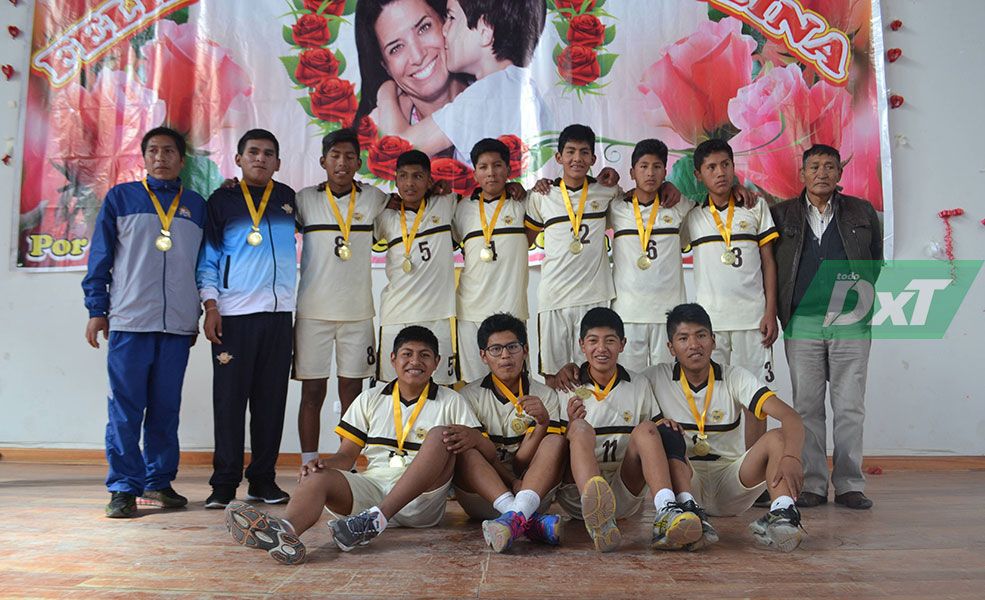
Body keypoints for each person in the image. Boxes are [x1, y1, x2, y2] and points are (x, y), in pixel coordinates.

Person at [223, 326, 481, 564]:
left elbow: (474, 451)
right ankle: (285, 532)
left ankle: (376, 519)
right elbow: (346, 456)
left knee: (438, 435)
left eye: (425, 355)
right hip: (373, 490)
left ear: (436, 363)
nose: (415, 361)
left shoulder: (452, 401)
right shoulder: (368, 399)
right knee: (316, 475)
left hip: (420, 501)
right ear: (392, 359)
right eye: (407, 354)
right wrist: (321, 463)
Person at [82, 127, 206, 518]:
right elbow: (100, 257)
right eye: (153, 151)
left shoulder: (197, 205)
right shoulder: (122, 198)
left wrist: (202, 310)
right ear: (144, 157)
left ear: (181, 160)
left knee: (166, 408)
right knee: (126, 408)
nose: (161, 157)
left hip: (177, 326)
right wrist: (96, 309)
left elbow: (205, 265)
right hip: (129, 321)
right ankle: (123, 487)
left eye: (169, 151)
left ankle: (158, 482)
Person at [642, 303, 808, 552]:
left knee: (778, 438)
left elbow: (790, 416)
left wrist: (792, 457)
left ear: (713, 340)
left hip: (731, 484)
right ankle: (687, 511)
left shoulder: (735, 376)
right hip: (688, 480)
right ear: (671, 347)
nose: (694, 345)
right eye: (683, 338)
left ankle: (783, 513)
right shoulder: (654, 377)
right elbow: (613, 384)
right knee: (661, 433)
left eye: (701, 335)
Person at [770, 144, 883, 510]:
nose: (822, 173)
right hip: (802, 320)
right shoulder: (781, 214)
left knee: (850, 405)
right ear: (801, 174)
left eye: (830, 166)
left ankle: (850, 483)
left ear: (840, 174)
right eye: (814, 166)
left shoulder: (861, 211)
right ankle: (813, 484)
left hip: (850, 319)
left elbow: (874, 263)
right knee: (806, 407)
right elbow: (771, 266)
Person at [197, 129, 297, 509]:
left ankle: (263, 480)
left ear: (278, 162)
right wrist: (210, 306)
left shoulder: (287, 199)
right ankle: (223, 484)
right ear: (238, 159)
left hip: (277, 316)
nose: (260, 158)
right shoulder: (220, 201)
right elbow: (207, 258)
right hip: (233, 316)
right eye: (253, 152)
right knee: (229, 402)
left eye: (268, 153)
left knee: (271, 401)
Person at [557, 307, 702, 553]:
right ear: (582, 344)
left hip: (625, 491)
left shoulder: (639, 384)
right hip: (577, 497)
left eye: (610, 341)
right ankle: (598, 518)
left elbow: (654, 437)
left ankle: (666, 509)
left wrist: (668, 428)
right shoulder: (565, 387)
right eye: (593, 341)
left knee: (648, 428)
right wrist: (569, 428)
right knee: (579, 428)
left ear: (622, 344)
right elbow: (553, 451)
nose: (601, 349)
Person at [293, 129, 389, 466]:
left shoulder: (374, 199)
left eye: (349, 156)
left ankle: (344, 461)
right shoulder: (304, 199)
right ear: (323, 161)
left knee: (352, 392)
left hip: (358, 312)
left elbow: (412, 201)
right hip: (312, 313)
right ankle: (308, 462)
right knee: (313, 392)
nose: (342, 162)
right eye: (335, 156)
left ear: (358, 162)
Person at [682, 139, 779, 461]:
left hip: (753, 321)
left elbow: (768, 261)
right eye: (711, 167)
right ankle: (722, 468)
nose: (720, 173)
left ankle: (754, 470)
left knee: (755, 399)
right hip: (711, 326)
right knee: (716, 396)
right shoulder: (692, 217)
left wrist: (770, 311)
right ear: (699, 174)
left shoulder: (755, 208)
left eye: (725, 164)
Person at [375, 0, 551, 163]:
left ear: (484, 31)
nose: (444, 29)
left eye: (451, 18)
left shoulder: (485, 95)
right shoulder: (519, 87)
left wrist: (385, 91)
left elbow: (400, 149)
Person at [454, 313, 566, 552]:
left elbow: (520, 463)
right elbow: (485, 458)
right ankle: (522, 519)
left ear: (525, 350)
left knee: (556, 442)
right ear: (483, 355)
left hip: (531, 491)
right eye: (496, 349)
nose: (505, 355)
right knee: (466, 453)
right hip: (482, 497)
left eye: (512, 347)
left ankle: (514, 519)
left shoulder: (545, 396)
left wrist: (543, 423)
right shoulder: (468, 396)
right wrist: (512, 482)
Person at [523, 125, 620, 389]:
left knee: (594, 372)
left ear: (593, 160)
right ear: (559, 158)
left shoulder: (607, 192)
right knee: (554, 376)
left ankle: (591, 428)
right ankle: (558, 428)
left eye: (584, 152)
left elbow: (635, 205)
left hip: (595, 296)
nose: (577, 158)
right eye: (570, 152)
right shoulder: (542, 196)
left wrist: (614, 178)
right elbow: (523, 241)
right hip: (554, 298)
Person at [608, 139, 693, 371]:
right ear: (632, 172)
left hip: (667, 315)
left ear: (665, 172)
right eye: (643, 166)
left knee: (666, 385)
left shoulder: (681, 206)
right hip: (627, 313)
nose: (650, 173)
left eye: (657, 167)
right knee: (630, 383)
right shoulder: (616, 207)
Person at [374, 150, 458, 384]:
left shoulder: (446, 204)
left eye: (418, 176)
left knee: (442, 388)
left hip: (437, 315)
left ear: (429, 180)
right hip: (395, 316)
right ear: (396, 181)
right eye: (403, 176)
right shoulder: (384, 215)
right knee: (392, 389)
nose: (410, 183)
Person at [453, 139, 531, 382]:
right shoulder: (460, 208)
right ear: (474, 171)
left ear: (508, 170)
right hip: (470, 310)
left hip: (512, 310)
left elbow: (531, 236)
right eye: (483, 167)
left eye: (497, 166)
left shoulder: (524, 203)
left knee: (515, 381)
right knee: (474, 384)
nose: (491, 173)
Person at [353, 0, 467, 153]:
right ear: (385, 66)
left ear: (446, 21)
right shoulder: (371, 136)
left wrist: (386, 93)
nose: (418, 56)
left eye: (424, 28)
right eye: (396, 48)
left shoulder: (496, 91)